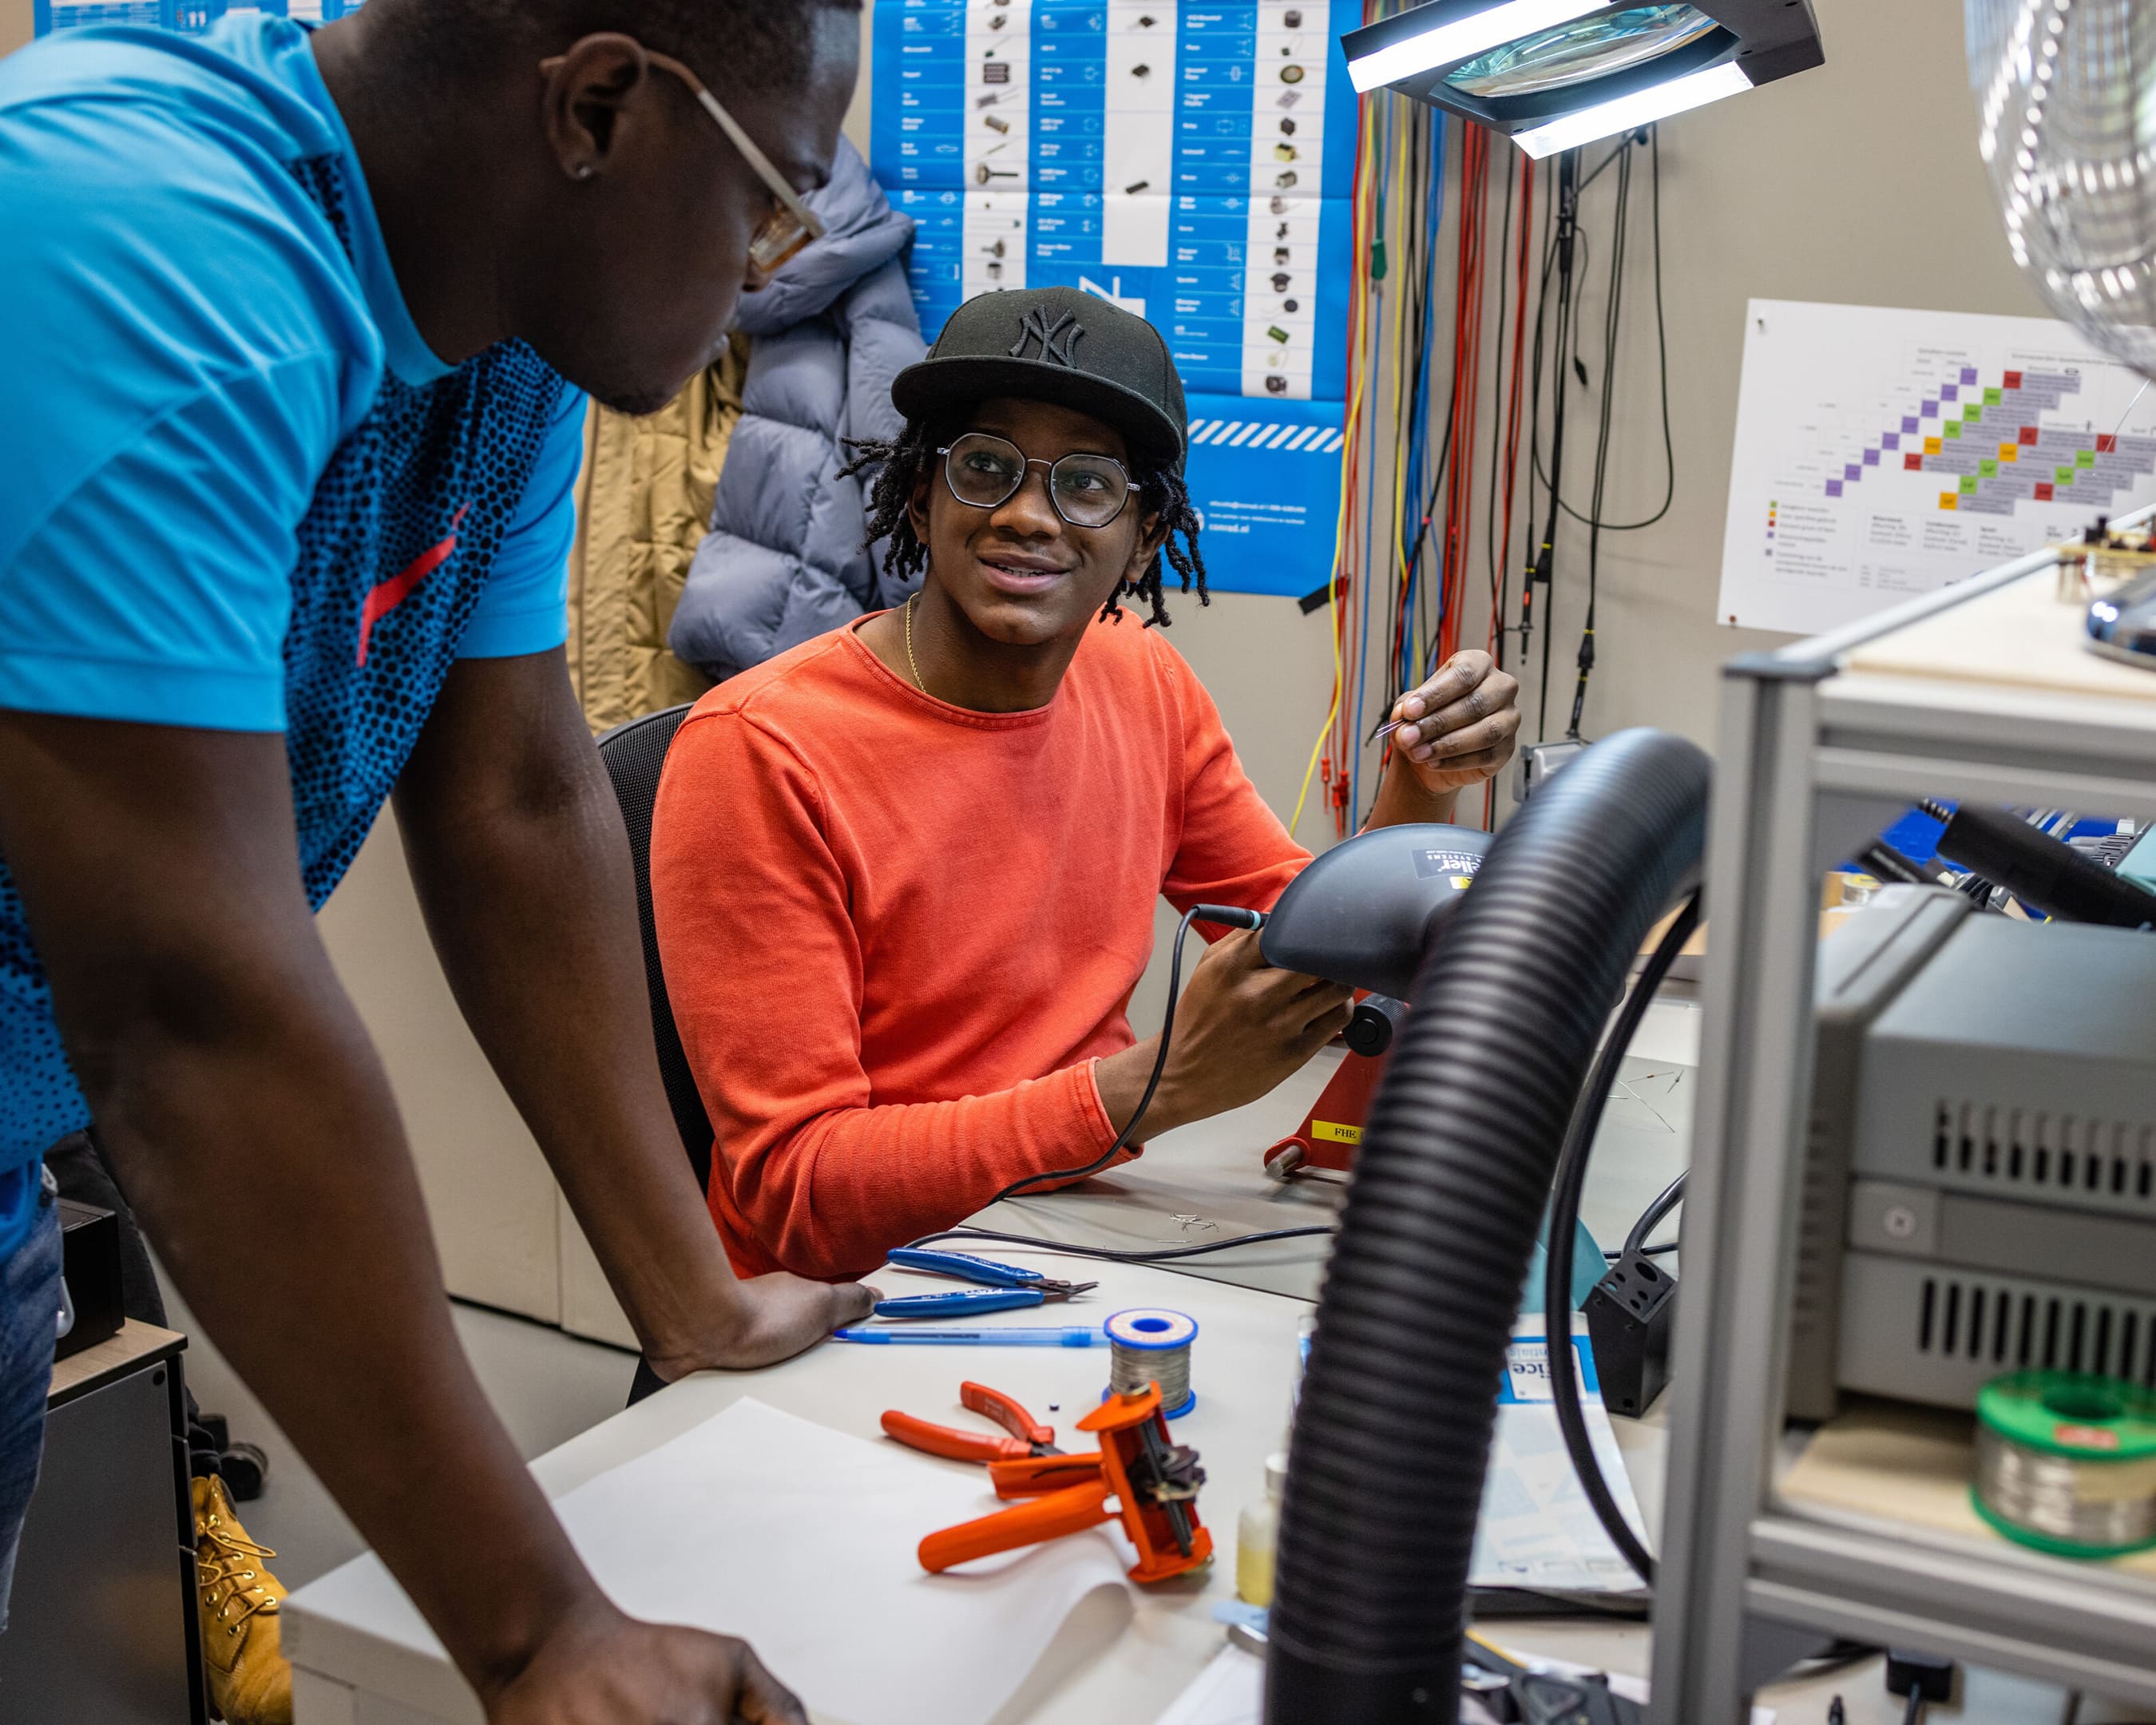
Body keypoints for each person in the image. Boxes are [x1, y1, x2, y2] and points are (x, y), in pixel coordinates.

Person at [0, 4, 876, 1723]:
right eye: (767, 201)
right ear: (600, 107)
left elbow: (515, 798)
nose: (767, 274)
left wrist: (685, 1294)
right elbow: (188, 1021)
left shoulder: (496, 324)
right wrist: (540, 1632)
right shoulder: (131, 245)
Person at [650, 286, 1524, 1286]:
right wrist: (1147, 1092)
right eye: (984, 467)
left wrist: (1424, 780)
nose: (1028, 515)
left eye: (1089, 484)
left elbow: (1318, 943)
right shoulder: (760, 751)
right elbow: (797, 1199)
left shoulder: (1138, 678)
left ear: (1146, 533)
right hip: (858, 1297)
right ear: (921, 494)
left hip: (1074, 1231)